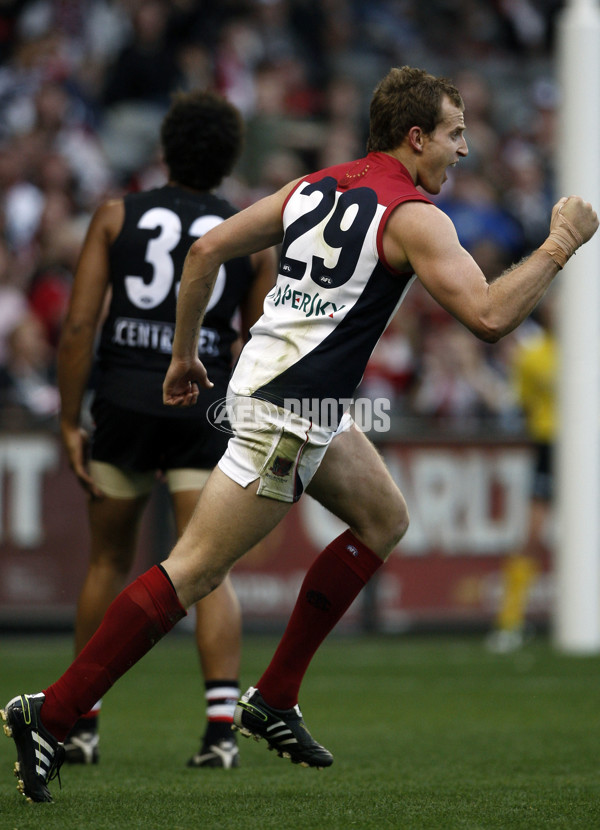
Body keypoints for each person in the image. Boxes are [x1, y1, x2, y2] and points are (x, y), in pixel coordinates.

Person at [2, 65, 597, 804]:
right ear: (416, 138)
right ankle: (51, 715)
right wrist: (560, 245)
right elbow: (488, 316)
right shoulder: (413, 215)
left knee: (384, 518)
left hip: (284, 390)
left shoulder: (315, 187)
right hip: (290, 405)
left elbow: (204, 253)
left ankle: (274, 699)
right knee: (192, 572)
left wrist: (185, 352)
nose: (465, 149)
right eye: (454, 133)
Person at [55, 89, 276, 768]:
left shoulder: (116, 214)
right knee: (207, 569)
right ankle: (218, 731)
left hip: (122, 400)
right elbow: (257, 342)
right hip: (199, 407)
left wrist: (69, 419)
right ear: (230, 157)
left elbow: (80, 327)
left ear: (166, 149)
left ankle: (82, 723)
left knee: (106, 563)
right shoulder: (247, 231)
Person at [486, 294, 557, 653]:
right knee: (531, 535)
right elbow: (523, 404)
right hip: (551, 449)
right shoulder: (533, 356)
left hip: (586, 450)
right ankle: (510, 622)